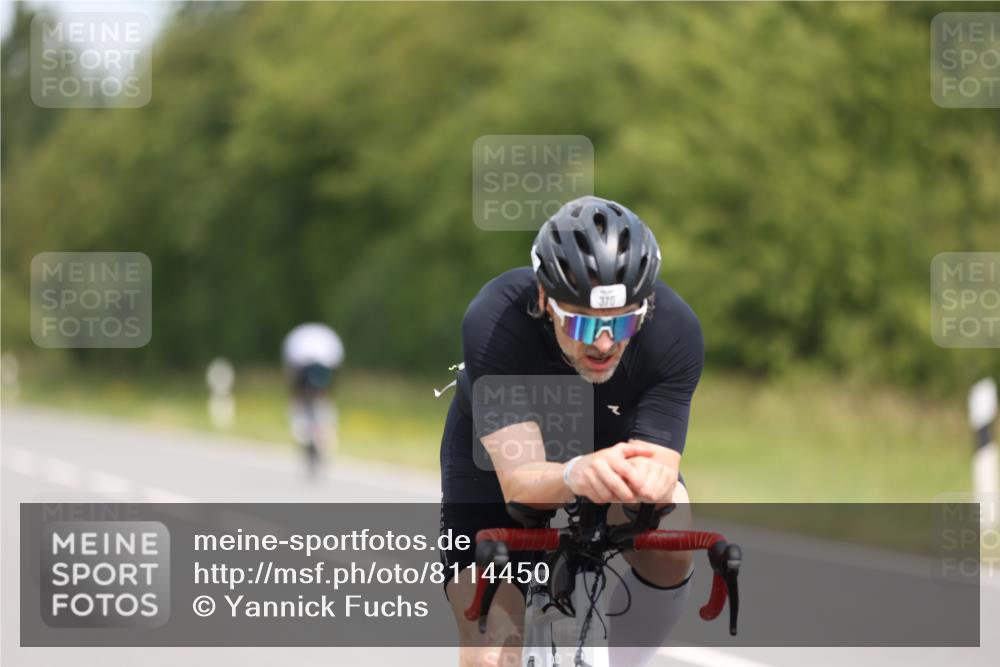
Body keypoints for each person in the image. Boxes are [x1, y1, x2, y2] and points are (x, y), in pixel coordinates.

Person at [439, 196, 704, 667]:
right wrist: (575, 472)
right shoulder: (495, 322)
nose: (603, 343)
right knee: (492, 648)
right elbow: (520, 483)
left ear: (646, 307)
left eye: (622, 323)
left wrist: (641, 482)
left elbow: (658, 474)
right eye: (582, 323)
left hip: (611, 449)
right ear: (545, 300)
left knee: (673, 530)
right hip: (499, 460)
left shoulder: (674, 330)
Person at [281, 322, 344, 477]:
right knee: (310, 406)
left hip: (307, 383)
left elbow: (292, 380)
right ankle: (314, 434)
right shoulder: (326, 347)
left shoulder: (300, 346)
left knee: (310, 407)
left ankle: (314, 434)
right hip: (311, 383)